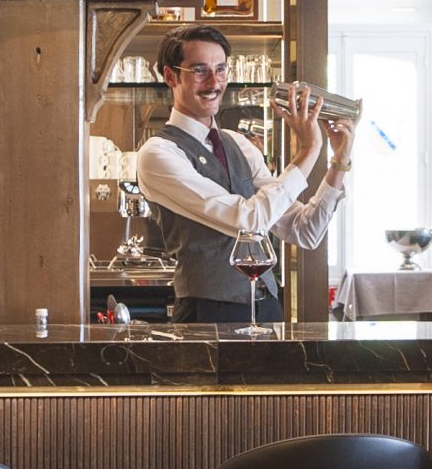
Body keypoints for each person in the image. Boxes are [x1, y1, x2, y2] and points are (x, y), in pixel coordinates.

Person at [134, 24, 353, 325]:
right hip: (206, 315)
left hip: (267, 311)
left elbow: (305, 231)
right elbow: (249, 220)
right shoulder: (158, 154)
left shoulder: (237, 143)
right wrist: (310, 149)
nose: (214, 82)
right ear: (170, 76)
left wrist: (338, 160)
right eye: (200, 70)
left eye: (221, 69)